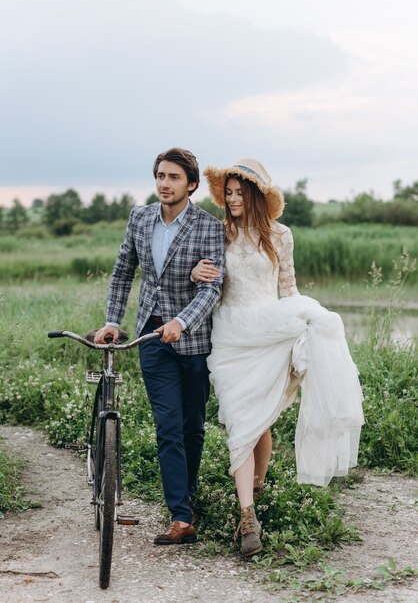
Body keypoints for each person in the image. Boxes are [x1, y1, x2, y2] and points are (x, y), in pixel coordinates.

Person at [191, 158, 364, 557]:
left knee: (261, 420)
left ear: (254, 195)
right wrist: (192, 275)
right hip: (231, 337)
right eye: (228, 193)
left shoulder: (280, 234)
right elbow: (206, 279)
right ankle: (248, 517)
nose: (232, 199)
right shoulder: (219, 232)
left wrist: (301, 331)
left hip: (270, 331)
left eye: (239, 193)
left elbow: (288, 287)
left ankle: (254, 489)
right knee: (240, 421)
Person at [94, 148, 225, 545]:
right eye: (160, 176)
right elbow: (122, 274)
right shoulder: (140, 217)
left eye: (173, 177)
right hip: (150, 337)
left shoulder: (209, 226)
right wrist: (113, 321)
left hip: (194, 339)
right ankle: (181, 517)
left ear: (192, 184)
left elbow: (212, 287)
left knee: (192, 427)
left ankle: (189, 497)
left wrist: (182, 322)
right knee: (168, 427)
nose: (164, 184)